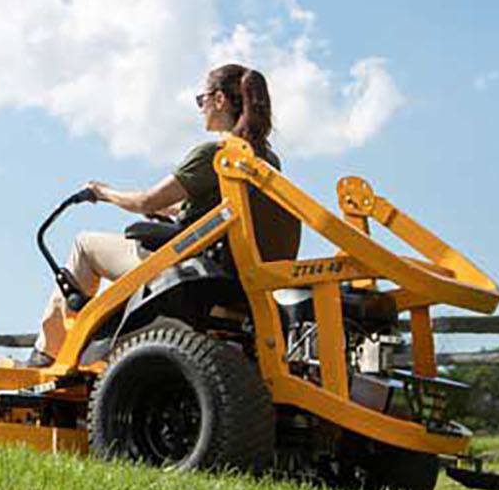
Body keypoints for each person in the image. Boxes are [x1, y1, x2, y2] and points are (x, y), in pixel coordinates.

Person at [34, 62, 301, 356]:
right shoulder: (267, 161)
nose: (201, 108)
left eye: (202, 100)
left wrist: (103, 193)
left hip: (187, 271)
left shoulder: (214, 154)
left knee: (84, 245)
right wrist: (174, 213)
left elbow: (146, 201)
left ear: (220, 99)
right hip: (238, 277)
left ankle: (50, 353)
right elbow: (227, 215)